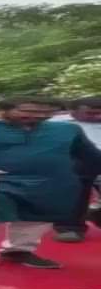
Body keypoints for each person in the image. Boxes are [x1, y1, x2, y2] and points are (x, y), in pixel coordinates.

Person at [0, 96, 101, 269]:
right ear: (2, 110)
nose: (37, 116)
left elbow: (91, 156)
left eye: (46, 112)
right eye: (28, 111)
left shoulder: (68, 130)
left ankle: (19, 251)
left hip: (50, 183)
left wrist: (79, 175)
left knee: (38, 216)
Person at [50, 96, 101, 243]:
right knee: (74, 194)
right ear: (72, 112)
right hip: (76, 162)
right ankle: (69, 228)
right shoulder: (55, 123)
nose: (98, 116)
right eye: (91, 113)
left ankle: (96, 213)